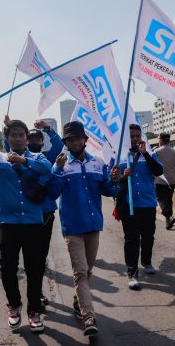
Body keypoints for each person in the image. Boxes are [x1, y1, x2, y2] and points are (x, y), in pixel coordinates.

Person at [0, 106, 51, 333]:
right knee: (7, 268)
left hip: (34, 223)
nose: (17, 138)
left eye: (21, 135)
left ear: (26, 138)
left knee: (35, 269)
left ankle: (34, 311)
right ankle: (14, 306)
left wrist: (24, 161)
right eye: (13, 135)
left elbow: (47, 169)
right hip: (8, 223)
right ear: (7, 138)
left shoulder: (37, 157)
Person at [49, 121, 121, 336]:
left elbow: (108, 190)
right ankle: (89, 316)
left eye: (78, 138)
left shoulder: (98, 163)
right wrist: (57, 170)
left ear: (85, 140)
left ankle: (77, 299)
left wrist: (115, 180)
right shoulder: (61, 165)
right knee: (80, 271)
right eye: (70, 139)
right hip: (72, 227)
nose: (75, 142)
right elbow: (52, 193)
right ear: (66, 143)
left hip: (93, 226)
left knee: (87, 271)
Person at [5, 117, 65, 307]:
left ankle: (36, 294)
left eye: (37, 139)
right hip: (25, 215)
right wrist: (7, 126)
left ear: (41, 142)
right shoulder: (17, 156)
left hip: (45, 214)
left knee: (40, 256)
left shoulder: (46, 157)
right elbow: (9, 144)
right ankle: (33, 297)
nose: (32, 142)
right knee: (27, 259)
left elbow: (59, 144)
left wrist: (47, 128)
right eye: (29, 139)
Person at [117, 124, 164, 290]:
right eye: (132, 136)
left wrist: (145, 154)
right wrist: (123, 175)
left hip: (147, 203)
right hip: (128, 204)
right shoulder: (119, 156)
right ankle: (132, 273)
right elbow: (112, 181)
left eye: (138, 136)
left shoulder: (149, 154)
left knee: (148, 235)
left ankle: (146, 261)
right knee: (131, 239)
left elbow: (158, 171)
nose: (135, 139)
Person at [154, 133, 175, 230]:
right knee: (168, 199)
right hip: (171, 180)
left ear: (161, 140)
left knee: (161, 199)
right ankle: (168, 220)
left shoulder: (156, 151)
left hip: (159, 180)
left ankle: (168, 216)